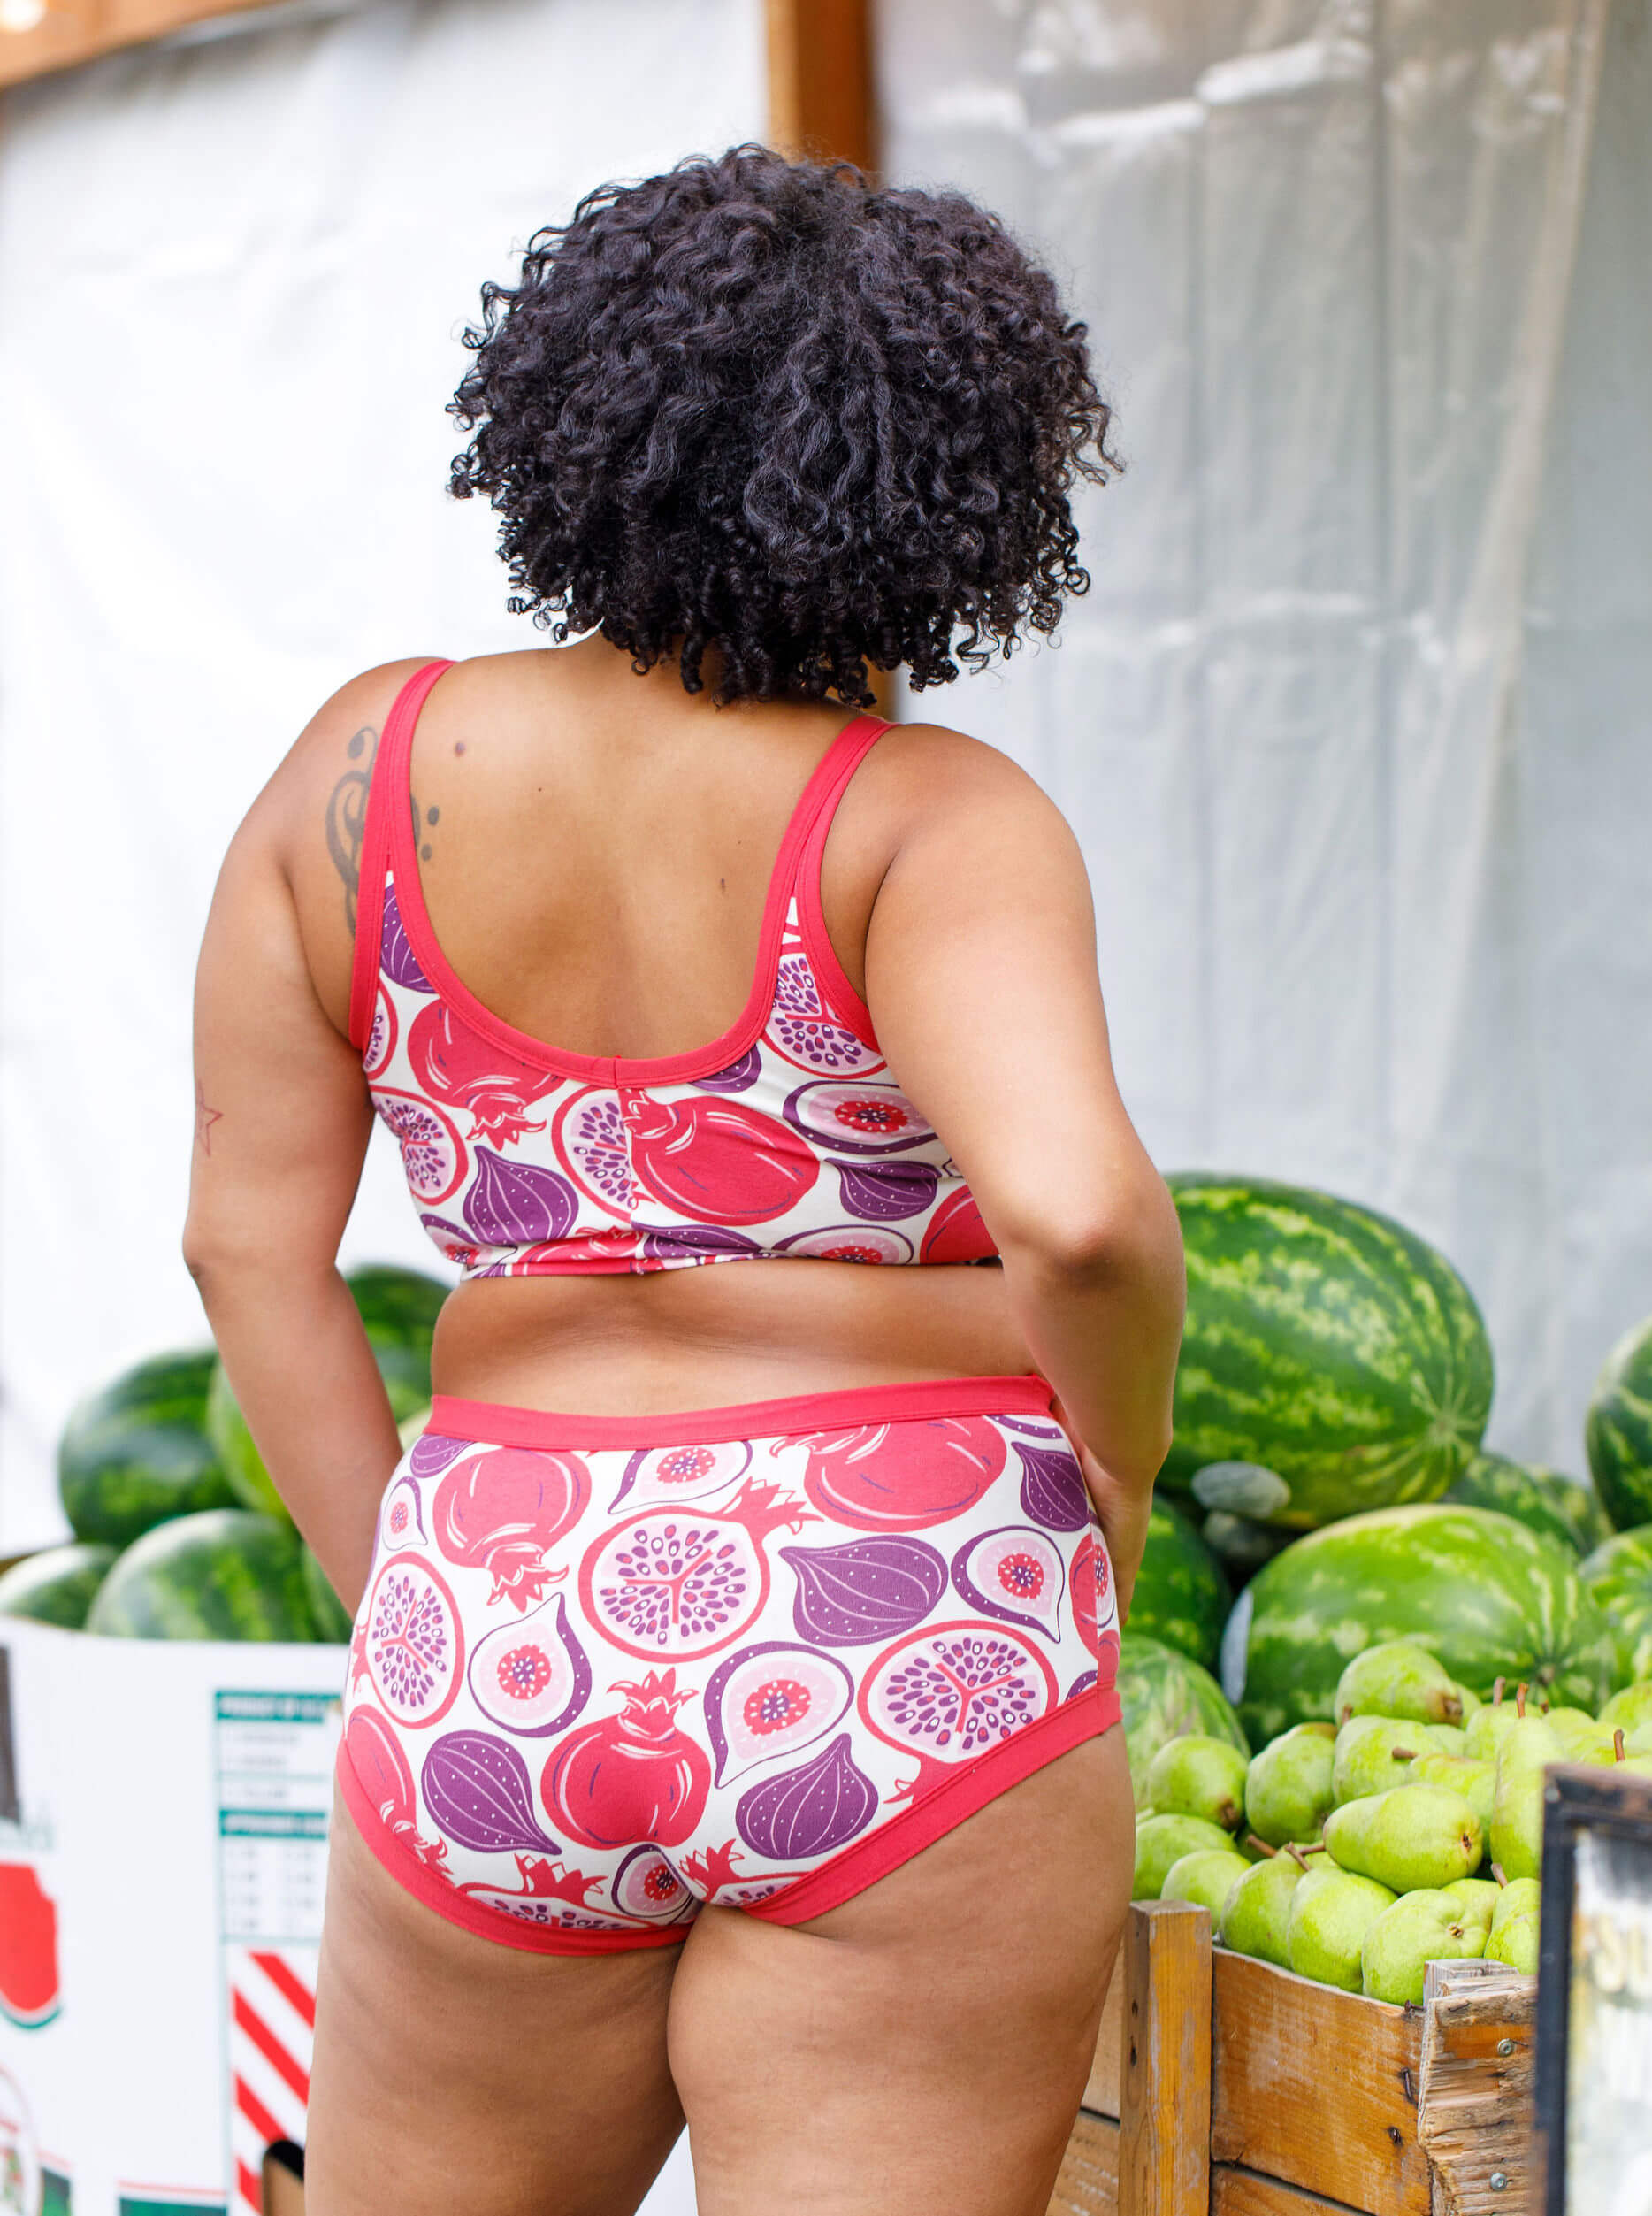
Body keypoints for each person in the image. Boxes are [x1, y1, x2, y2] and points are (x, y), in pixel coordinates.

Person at [184, 145, 1185, 2216]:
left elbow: (244, 1240)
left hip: (498, 1605)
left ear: (573, 420)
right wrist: (1116, 1468)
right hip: (908, 1613)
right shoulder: (926, 818)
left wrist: (404, 1585)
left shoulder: (361, 772)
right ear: (955, 493)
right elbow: (1079, 1214)